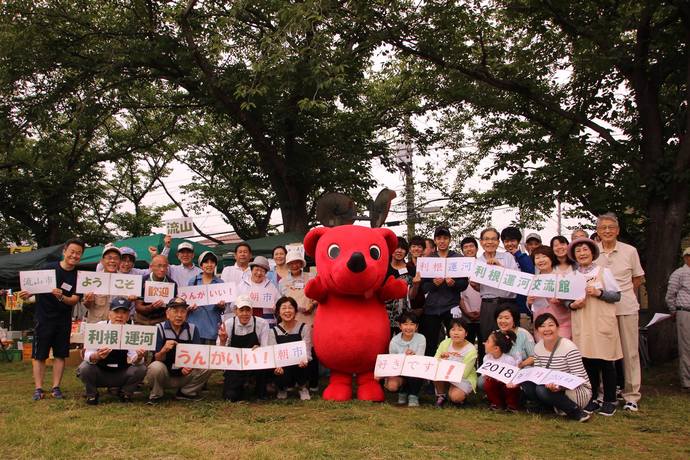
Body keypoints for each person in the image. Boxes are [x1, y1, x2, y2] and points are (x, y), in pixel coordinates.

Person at [18, 238, 84, 401]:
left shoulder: (78, 276)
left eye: (78, 253)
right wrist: (27, 293)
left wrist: (62, 297)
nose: (74, 256)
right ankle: (38, 388)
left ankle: (56, 387)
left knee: (60, 354)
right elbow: (33, 290)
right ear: (64, 251)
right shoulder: (48, 269)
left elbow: (74, 300)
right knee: (39, 354)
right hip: (44, 318)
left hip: (63, 319)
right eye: (72, 252)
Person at [594, 212, 645, 412]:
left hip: (626, 307)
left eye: (611, 227)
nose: (607, 231)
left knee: (629, 352)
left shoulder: (629, 251)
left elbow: (638, 278)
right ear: (597, 231)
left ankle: (632, 395)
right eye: (603, 227)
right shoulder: (592, 251)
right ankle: (604, 392)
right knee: (602, 353)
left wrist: (624, 294)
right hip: (600, 309)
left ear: (618, 230)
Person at [566, 238, 622, 416]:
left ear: (592, 252)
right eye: (578, 251)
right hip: (582, 323)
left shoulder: (603, 272)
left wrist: (599, 293)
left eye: (585, 250)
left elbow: (617, 295)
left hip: (601, 322)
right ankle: (591, 398)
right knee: (587, 361)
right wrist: (572, 305)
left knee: (606, 361)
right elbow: (566, 300)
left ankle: (609, 399)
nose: (582, 253)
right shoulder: (572, 276)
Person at [521, 313, 592, 422]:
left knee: (541, 389)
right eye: (542, 326)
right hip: (551, 386)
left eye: (551, 325)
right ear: (537, 330)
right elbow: (540, 373)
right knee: (528, 383)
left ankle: (576, 411)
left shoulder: (569, 347)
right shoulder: (538, 347)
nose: (547, 329)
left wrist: (560, 386)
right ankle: (546, 407)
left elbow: (579, 377)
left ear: (558, 328)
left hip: (575, 390)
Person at [77, 297, 147, 405]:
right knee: (84, 368)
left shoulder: (132, 331)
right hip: (100, 372)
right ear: (110, 314)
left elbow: (135, 359)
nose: (120, 316)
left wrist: (139, 357)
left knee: (141, 368)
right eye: (116, 312)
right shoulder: (99, 327)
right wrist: (97, 356)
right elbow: (87, 354)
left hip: (121, 373)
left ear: (128, 315)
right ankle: (92, 394)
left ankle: (126, 393)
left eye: (124, 312)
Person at [146, 297, 211, 404]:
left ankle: (186, 392)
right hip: (164, 375)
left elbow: (198, 355)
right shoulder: (159, 328)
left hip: (184, 375)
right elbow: (156, 358)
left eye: (183, 311)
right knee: (155, 366)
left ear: (186, 313)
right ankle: (156, 394)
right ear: (167, 313)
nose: (179, 315)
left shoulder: (192, 329)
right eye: (175, 311)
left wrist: (190, 365)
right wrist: (163, 350)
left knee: (207, 366)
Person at [420, 227, 469, 356]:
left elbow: (464, 284)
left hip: (451, 306)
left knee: (457, 339)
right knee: (430, 342)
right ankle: (430, 373)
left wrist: (454, 284)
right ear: (435, 241)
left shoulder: (457, 258)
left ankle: (457, 368)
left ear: (450, 240)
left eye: (445, 238)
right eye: (439, 238)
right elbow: (423, 286)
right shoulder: (428, 260)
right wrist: (433, 284)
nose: (442, 241)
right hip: (432, 308)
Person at [475, 227, 520, 362]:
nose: (490, 242)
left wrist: (500, 268)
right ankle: (486, 375)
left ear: (498, 241)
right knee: (487, 340)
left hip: (508, 303)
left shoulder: (507, 257)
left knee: (510, 340)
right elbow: (477, 286)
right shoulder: (477, 262)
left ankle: (511, 374)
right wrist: (474, 283)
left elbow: (517, 279)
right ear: (481, 242)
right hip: (488, 305)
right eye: (486, 239)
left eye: (493, 239)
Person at [278, 249, 320, 391]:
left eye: (297, 262)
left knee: (310, 350)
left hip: (309, 317)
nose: (294, 265)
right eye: (291, 263)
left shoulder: (311, 277)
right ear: (288, 264)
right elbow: (281, 300)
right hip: (291, 318)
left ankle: (313, 382)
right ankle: (293, 382)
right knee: (293, 350)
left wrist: (313, 304)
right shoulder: (283, 282)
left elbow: (319, 295)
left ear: (301, 263)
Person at [217, 294, 270, 401]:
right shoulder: (228, 324)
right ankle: (242, 385)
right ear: (236, 311)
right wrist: (223, 340)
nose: (245, 314)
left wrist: (260, 348)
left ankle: (259, 389)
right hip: (234, 364)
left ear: (252, 311)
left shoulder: (262, 323)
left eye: (248, 310)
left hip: (256, 362)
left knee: (261, 393)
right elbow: (220, 352)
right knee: (230, 396)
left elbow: (266, 348)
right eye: (241, 310)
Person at [267, 296, 312, 400]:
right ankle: (282, 388)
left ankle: (303, 387)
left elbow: (307, 350)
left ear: (296, 311)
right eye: (284, 308)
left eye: (290, 308)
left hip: (299, 365)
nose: (287, 311)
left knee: (306, 363)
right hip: (283, 367)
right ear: (278, 312)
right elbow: (272, 353)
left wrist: (305, 360)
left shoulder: (304, 328)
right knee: (278, 370)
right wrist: (276, 366)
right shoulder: (273, 331)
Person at [528, 245, 572, 339]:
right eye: (537, 258)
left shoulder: (562, 278)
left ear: (551, 258)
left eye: (544, 256)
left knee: (561, 350)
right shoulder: (533, 280)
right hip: (540, 324)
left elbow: (571, 301)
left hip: (561, 323)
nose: (541, 260)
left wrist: (561, 300)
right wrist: (529, 302)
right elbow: (530, 306)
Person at [384, 311, 426, 407]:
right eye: (405, 324)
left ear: (416, 326)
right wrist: (404, 355)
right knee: (392, 386)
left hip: (414, 370)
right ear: (400, 326)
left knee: (416, 372)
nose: (408, 327)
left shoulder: (421, 338)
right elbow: (393, 361)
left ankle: (413, 395)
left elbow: (420, 359)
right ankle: (402, 391)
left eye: (412, 324)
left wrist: (413, 355)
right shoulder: (394, 341)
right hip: (400, 371)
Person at [433, 317, 478, 408]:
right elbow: (435, 361)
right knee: (435, 371)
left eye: (460, 330)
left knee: (456, 398)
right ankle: (441, 395)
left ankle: (460, 395)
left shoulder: (471, 349)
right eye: (453, 329)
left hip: (463, 377)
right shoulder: (445, 343)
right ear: (449, 332)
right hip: (446, 374)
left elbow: (464, 373)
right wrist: (442, 358)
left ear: (466, 333)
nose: (456, 333)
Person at [186, 251, 225, 344]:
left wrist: (221, 306)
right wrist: (189, 307)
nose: (209, 265)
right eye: (206, 262)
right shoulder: (193, 281)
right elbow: (187, 304)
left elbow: (223, 308)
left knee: (209, 356)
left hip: (212, 328)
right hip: (194, 327)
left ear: (215, 264)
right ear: (201, 265)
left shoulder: (220, 283)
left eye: (212, 262)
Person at [665, 247, 690, 390]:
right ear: (686, 258)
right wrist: (674, 311)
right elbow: (670, 295)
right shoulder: (679, 273)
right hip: (685, 312)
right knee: (686, 348)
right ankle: (686, 383)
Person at [83, 246, 128, 323]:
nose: (112, 261)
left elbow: (127, 306)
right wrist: (88, 300)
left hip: (116, 325)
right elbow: (87, 305)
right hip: (95, 325)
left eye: (116, 258)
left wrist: (131, 299)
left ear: (120, 262)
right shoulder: (92, 279)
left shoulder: (126, 281)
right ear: (102, 261)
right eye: (109, 258)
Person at [500, 227, 535, 318]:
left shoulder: (524, 257)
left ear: (518, 241)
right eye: (506, 241)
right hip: (505, 304)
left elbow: (531, 273)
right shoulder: (501, 259)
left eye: (512, 241)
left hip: (522, 306)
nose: (510, 244)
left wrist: (518, 254)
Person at [482, 329, 520, 412]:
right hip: (495, 386)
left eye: (488, 342)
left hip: (506, 386)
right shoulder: (486, 358)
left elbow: (514, 377)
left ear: (496, 348)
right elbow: (484, 374)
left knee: (511, 386)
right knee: (488, 383)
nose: (485, 343)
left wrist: (511, 382)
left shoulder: (509, 360)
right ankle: (496, 403)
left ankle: (512, 405)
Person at [237, 256, 281, 325]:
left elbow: (279, 304)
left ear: (266, 273)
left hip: (267, 322)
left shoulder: (271, 286)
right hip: (246, 322)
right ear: (251, 270)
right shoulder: (242, 285)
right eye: (256, 269)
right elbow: (233, 305)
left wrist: (276, 308)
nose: (259, 273)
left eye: (262, 271)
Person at [135, 255, 178, 325]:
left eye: (165, 266)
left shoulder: (172, 284)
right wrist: (151, 307)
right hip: (142, 320)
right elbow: (138, 307)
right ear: (151, 267)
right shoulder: (142, 281)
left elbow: (172, 307)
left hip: (162, 320)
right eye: (159, 266)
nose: (162, 269)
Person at [385, 237, 416, 337]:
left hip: (405, 317)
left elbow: (412, 295)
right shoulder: (384, 268)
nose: (399, 251)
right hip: (385, 314)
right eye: (396, 248)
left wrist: (417, 284)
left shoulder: (411, 270)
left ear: (406, 251)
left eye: (402, 248)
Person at [459, 236, 481, 344]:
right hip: (466, 317)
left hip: (484, 314)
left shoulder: (484, 266)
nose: (469, 249)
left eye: (471, 246)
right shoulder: (459, 269)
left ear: (477, 249)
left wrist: (482, 311)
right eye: (465, 247)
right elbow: (459, 295)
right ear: (462, 251)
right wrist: (467, 313)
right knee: (467, 346)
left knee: (484, 345)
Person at [407, 236, 426, 318]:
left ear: (423, 250)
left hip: (427, 309)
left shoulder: (429, 266)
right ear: (410, 249)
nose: (416, 249)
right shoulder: (405, 267)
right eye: (414, 246)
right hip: (409, 309)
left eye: (419, 247)